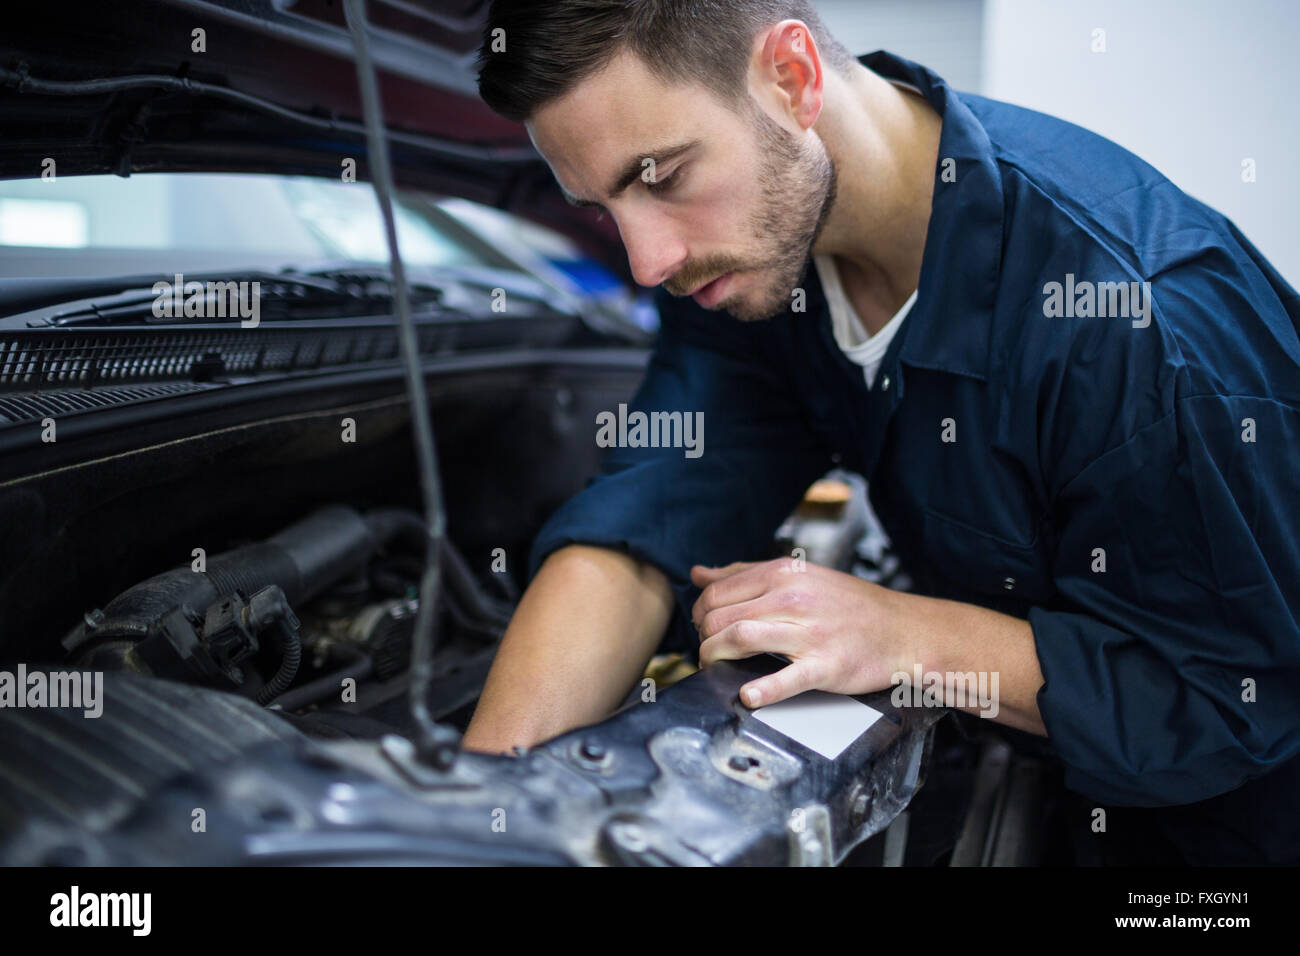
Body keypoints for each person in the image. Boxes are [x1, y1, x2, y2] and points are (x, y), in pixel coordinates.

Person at [462, 0, 1300, 864]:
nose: (647, 263)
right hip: (1040, 779)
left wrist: (910, 636)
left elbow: (1231, 690)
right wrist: (475, 822)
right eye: (603, 207)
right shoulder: (753, 271)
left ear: (791, 77)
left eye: (663, 176)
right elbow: (648, 515)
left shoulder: (1140, 325)